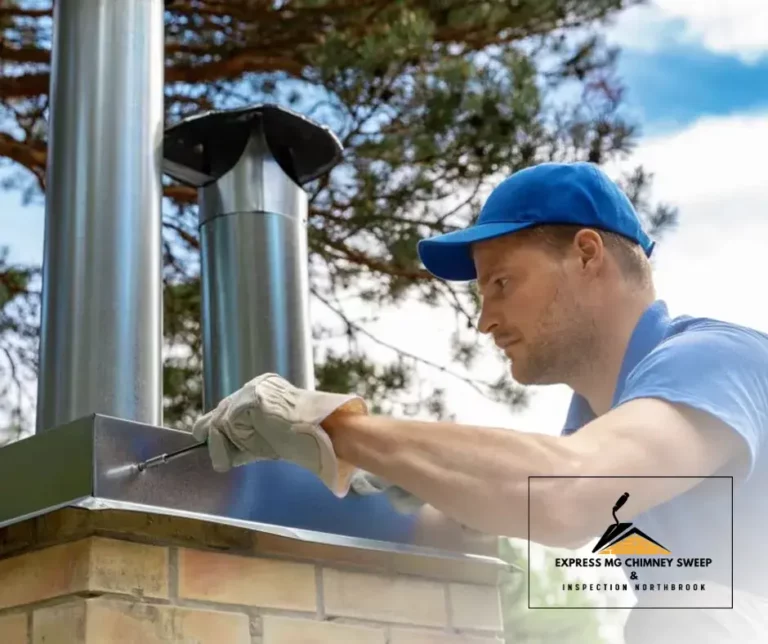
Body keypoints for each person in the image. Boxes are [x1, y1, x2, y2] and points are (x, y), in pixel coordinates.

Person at [192, 162, 768, 643]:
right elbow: (538, 514)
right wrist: (409, 478)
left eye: (501, 283)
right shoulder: (600, 422)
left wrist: (335, 428)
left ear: (588, 254)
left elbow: (568, 494)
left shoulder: (710, 359)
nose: (484, 318)